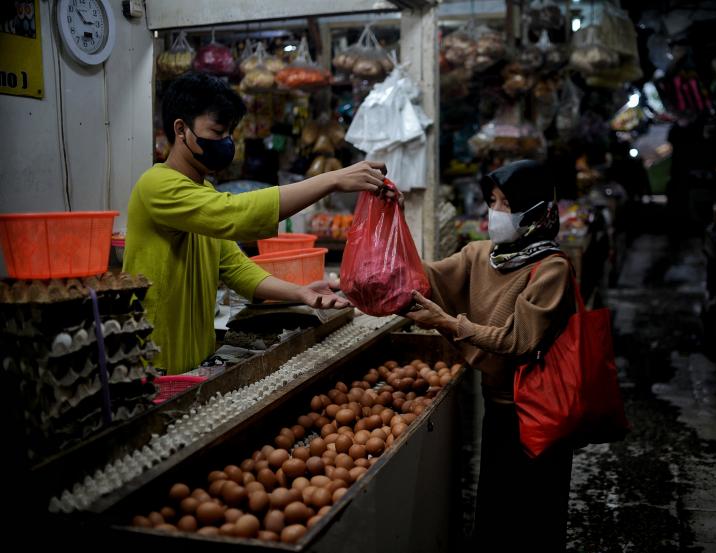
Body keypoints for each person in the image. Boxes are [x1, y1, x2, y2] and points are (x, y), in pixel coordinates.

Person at [124, 72, 387, 374]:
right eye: (217, 131)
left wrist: (299, 292)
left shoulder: (204, 192)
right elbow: (237, 216)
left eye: (229, 134)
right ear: (181, 130)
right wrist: (332, 180)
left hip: (194, 359)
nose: (225, 142)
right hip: (154, 363)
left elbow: (237, 268)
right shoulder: (156, 185)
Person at [404, 160, 575, 551]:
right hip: (498, 407)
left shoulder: (553, 270)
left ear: (534, 211)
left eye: (505, 204)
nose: (494, 212)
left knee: (536, 514)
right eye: (493, 201)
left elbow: (519, 341)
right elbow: (426, 276)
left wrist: (449, 323)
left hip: (540, 412)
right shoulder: (481, 255)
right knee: (496, 505)